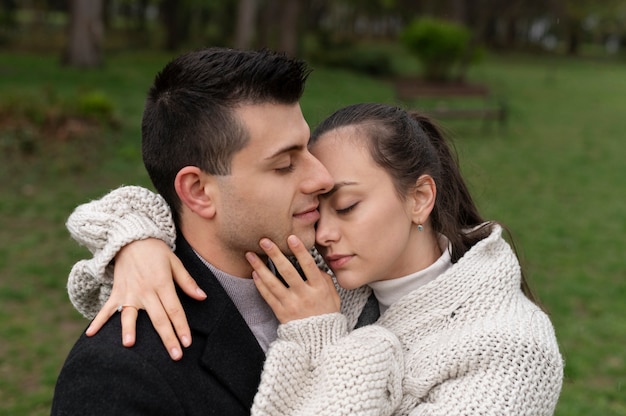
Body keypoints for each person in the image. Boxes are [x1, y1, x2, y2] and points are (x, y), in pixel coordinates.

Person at [61, 103, 564, 415]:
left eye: (346, 206)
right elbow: (192, 205)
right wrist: (139, 242)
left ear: (420, 198)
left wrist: (323, 336)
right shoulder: (329, 272)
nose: (322, 232)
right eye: (316, 208)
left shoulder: (512, 350)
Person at [51, 48, 402, 416]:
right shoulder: (117, 377)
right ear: (199, 192)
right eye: (285, 165)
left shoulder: (348, 268)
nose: (321, 178)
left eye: (307, 149)